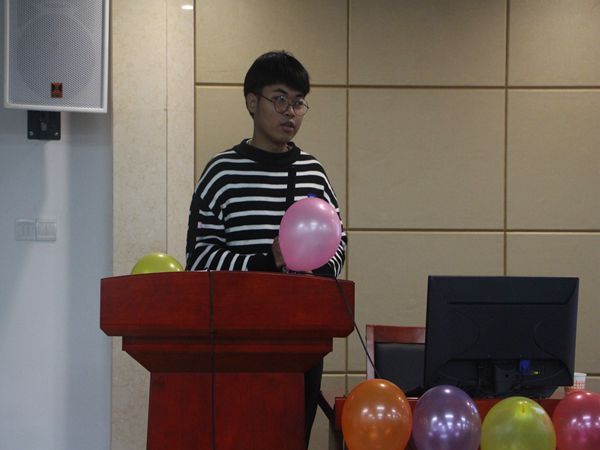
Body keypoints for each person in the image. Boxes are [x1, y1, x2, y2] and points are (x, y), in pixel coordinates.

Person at [185, 50, 347, 447]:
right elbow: (199, 258)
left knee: (292, 439)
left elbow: (338, 241)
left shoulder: (312, 172)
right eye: (279, 99)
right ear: (252, 102)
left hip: (301, 338)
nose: (290, 112)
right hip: (236, 339)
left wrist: (314, 270)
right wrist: (268, 260)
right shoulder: (221, 172)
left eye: (299, 102)